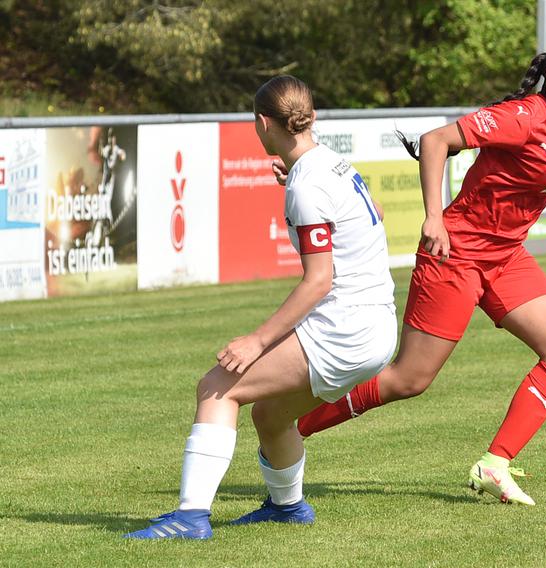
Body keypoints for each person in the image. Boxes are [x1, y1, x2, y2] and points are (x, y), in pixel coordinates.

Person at [294, 43, 546, 506]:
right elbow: (435, 141)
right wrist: (434, 217)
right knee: (409, 379)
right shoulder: (523, 117)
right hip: (457, 254)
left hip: (507, 258)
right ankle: (293, 427)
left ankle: (495, 464)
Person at [124, 75, 398, 539]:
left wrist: (257, 340)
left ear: (262, 123)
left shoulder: (308, 184)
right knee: (269, 415)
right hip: (378, 330)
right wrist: (298, 184)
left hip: (345, 330)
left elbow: (318, 282)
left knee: (217, 386)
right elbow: (374, 217)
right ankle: (287, 508)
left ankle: (190, 518)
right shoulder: (332, 164)